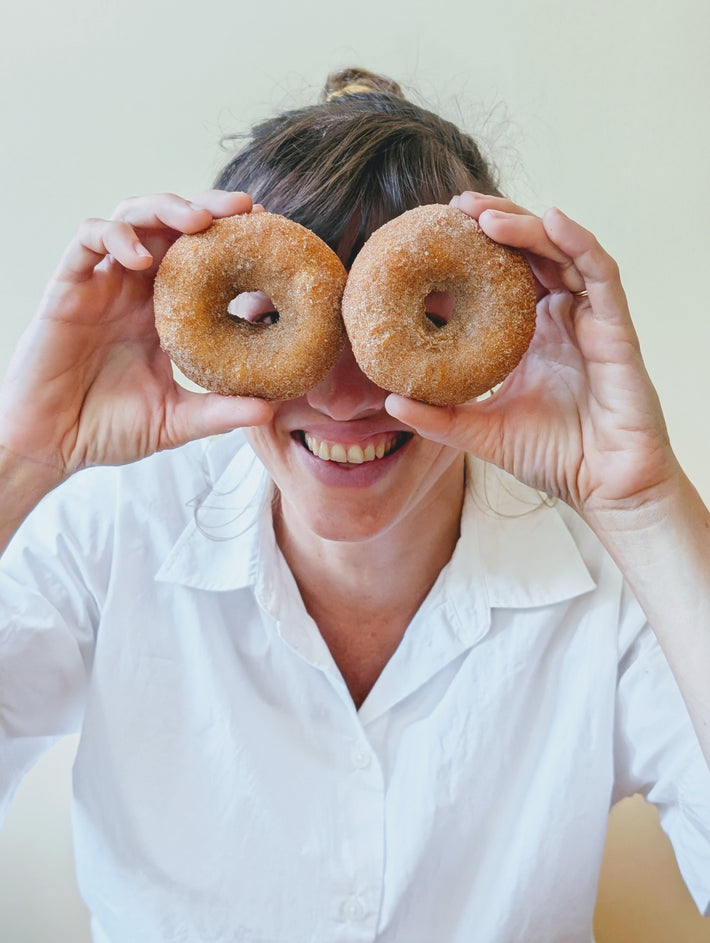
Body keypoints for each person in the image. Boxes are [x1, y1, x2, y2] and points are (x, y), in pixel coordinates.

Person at [0, 67, 708, 943]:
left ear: (495, 339)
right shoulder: (110, 532)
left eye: (424, 318)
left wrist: (643, 504)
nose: (341, 398)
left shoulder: (617, 585)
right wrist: (22, 457)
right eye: (273, 320)